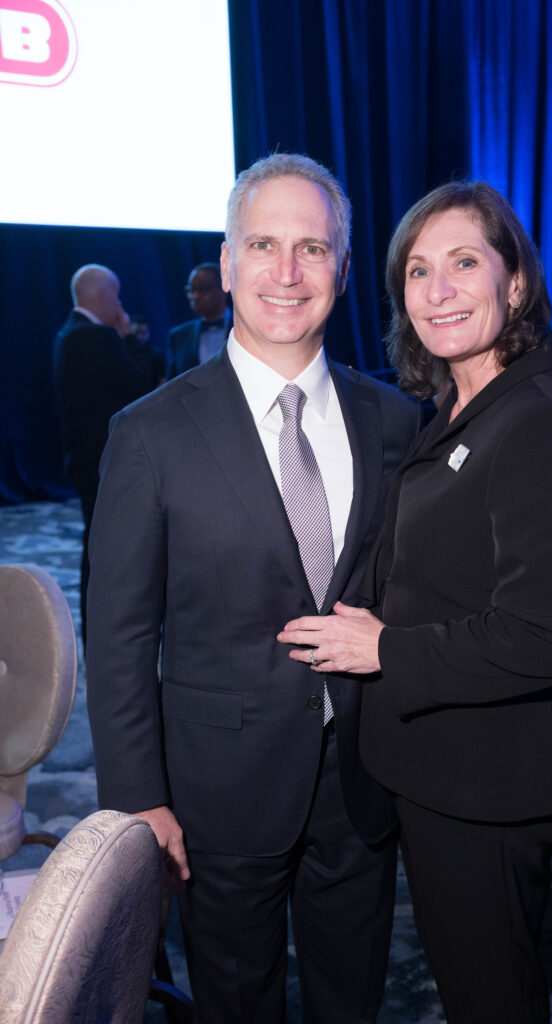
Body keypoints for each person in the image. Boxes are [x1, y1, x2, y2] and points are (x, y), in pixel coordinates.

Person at [86, 153, 419, 1023]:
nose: (286, 271)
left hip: (360, 782)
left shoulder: (392, 420)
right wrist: (138, 799)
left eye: (312, 249)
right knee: (237, 1002)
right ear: (227, 263)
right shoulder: (149, 434)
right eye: (263, 244)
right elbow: (118, 635)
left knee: (354, 997)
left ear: (342, 273)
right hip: (213, 793)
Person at [278, 181, 552, 1023]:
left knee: (491, 1001)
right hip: (442, 775)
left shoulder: (538, 424)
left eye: (464, 262)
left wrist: (384, 649)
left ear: (516, 283)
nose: (438, 289)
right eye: (418, 271)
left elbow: (541, 638)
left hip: (490, 787)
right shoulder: (460, 407)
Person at [53, 264, 152, 644]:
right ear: (103, 296)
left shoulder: (70, 332)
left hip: (84, 458)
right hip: (98, 460)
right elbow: (140, 383)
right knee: (101, 546)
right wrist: (128, 337)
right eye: (117, 295)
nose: (121, 304)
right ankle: (102, 627)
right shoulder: (95, 336)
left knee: (96, 543)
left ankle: (98, 625)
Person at [166, 262, 233, 378]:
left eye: (202, 289)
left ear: (224, 288)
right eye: (191, 290)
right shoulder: (178, 336)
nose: (195, 296)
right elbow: (172, 387)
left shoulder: (249, 328)